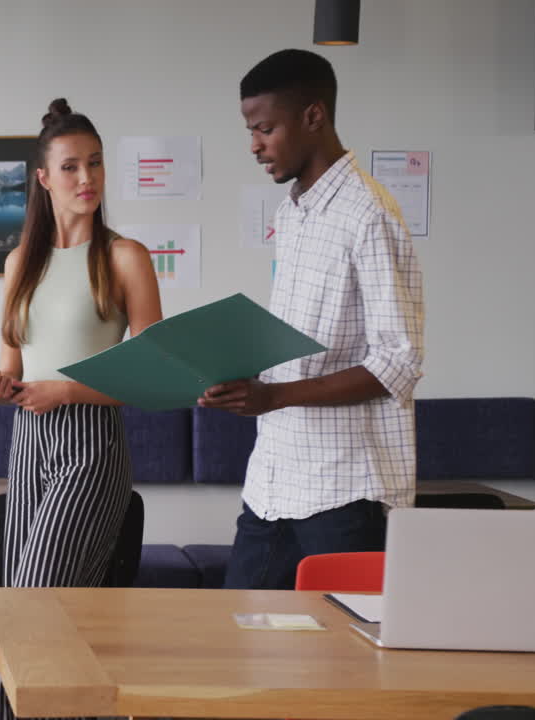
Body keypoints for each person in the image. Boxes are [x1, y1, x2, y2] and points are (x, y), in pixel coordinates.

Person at [199, 49, 424, 590]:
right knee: (238, 640)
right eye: (250, 130)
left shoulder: (370, 214)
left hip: (346, 492)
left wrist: (274, 396)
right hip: (274, 481)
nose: (254, 145)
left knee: (345, 669)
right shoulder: (292, 212)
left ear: (314, 116)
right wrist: (245, 383)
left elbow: (399, 361)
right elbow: (304, 344)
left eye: (265, 128)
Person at [0, 98, 162, 720]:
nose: (88, 179)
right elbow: (14, 368)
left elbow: (156, 373)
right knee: (30, 615)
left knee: (28, 606)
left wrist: (68, 391)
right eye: (72, 167)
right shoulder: (18, 264)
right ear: (44, 178)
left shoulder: (125, 256)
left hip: (92, 446)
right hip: (27, 445)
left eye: (97, 164)